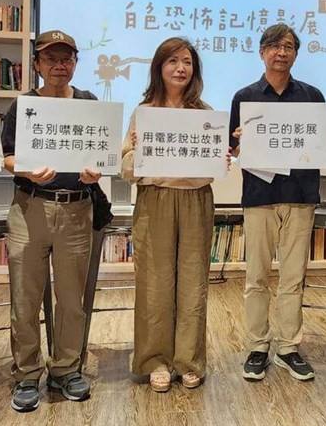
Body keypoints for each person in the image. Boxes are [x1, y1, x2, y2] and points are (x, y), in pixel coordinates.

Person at [229, 23, 326, 382]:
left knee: (294, 277)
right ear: (262, 52)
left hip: (300, 195)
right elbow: (231, 150)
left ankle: (289, 347)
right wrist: (235, 141)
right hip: (259, 196)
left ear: (296, 54)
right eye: (275, 46)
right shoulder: (244, 97)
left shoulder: (312, 96)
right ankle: (258, 346)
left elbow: (318, 145)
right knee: (256, 277)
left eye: (289, 46)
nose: (282, 52)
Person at [1, 30, 100, 412]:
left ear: (75, 62)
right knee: (24, 299)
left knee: (71, 299)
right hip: (30, 207)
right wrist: (24, 170)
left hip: (76, 208)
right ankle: (26, 375)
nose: (60, 65)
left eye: (66, 58)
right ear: (38, 64)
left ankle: (66, 369)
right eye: (51, 58)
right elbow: (5, 156)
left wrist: (96, 172)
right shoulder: (23, 105)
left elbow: (100, 156)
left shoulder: (89, 103)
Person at [120, 37, 216, 392]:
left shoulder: (205, 114)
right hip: (155, 201)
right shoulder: (144, 112)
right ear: (159, 68)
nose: (181, 68)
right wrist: (145, 158)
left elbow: (209, 171)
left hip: (195, 201)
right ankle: (155, 360)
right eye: (173, 61)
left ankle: (189, 361)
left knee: (193, 283)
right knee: (154, 284)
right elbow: (127, 166)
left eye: (187, 62)